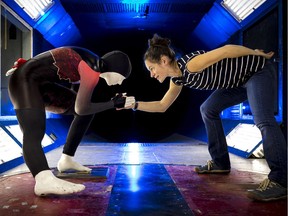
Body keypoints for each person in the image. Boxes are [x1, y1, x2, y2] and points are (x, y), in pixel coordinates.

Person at [128, 34, 287, 201]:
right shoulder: (177, 79)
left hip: (257, 72)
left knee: (263, 119)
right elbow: (162, 106)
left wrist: (257, 54)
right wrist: (135, 105)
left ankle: (281, 179)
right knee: (207, 109)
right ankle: (220, 163)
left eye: (152, 68)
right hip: (237, 83)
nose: (152, 74)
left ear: (164, 60)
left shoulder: (191, 65)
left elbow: (227, 50)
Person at [7, 47, 135, 196]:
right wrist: (113, 103)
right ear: (115, 70)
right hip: (25, 81)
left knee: (87, 113)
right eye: (121, 78)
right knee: (34, 131)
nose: (120, 83)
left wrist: (113, 102)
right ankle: (43, 179)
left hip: (41, 84)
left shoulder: (91, 62)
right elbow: (82, 108)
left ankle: (66, 160)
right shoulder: (91, 70)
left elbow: (79, 104)